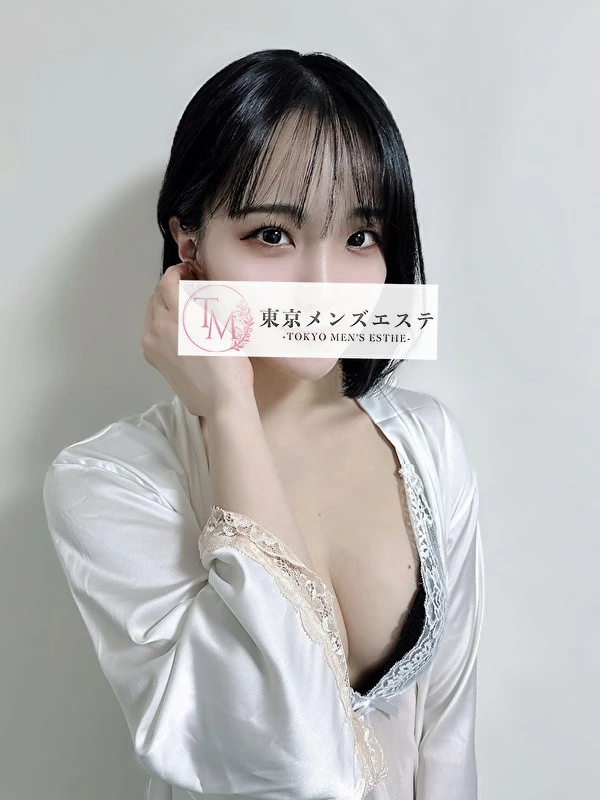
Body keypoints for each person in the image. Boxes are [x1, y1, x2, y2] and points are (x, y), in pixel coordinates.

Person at [42, 49, 485, 800]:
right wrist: (230, 411)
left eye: (360, 237)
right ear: (190, 246)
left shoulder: (427, 444)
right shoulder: (110, 484)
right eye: (273, 234)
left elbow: (449, 744)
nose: (323, 286)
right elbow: (294, 759)